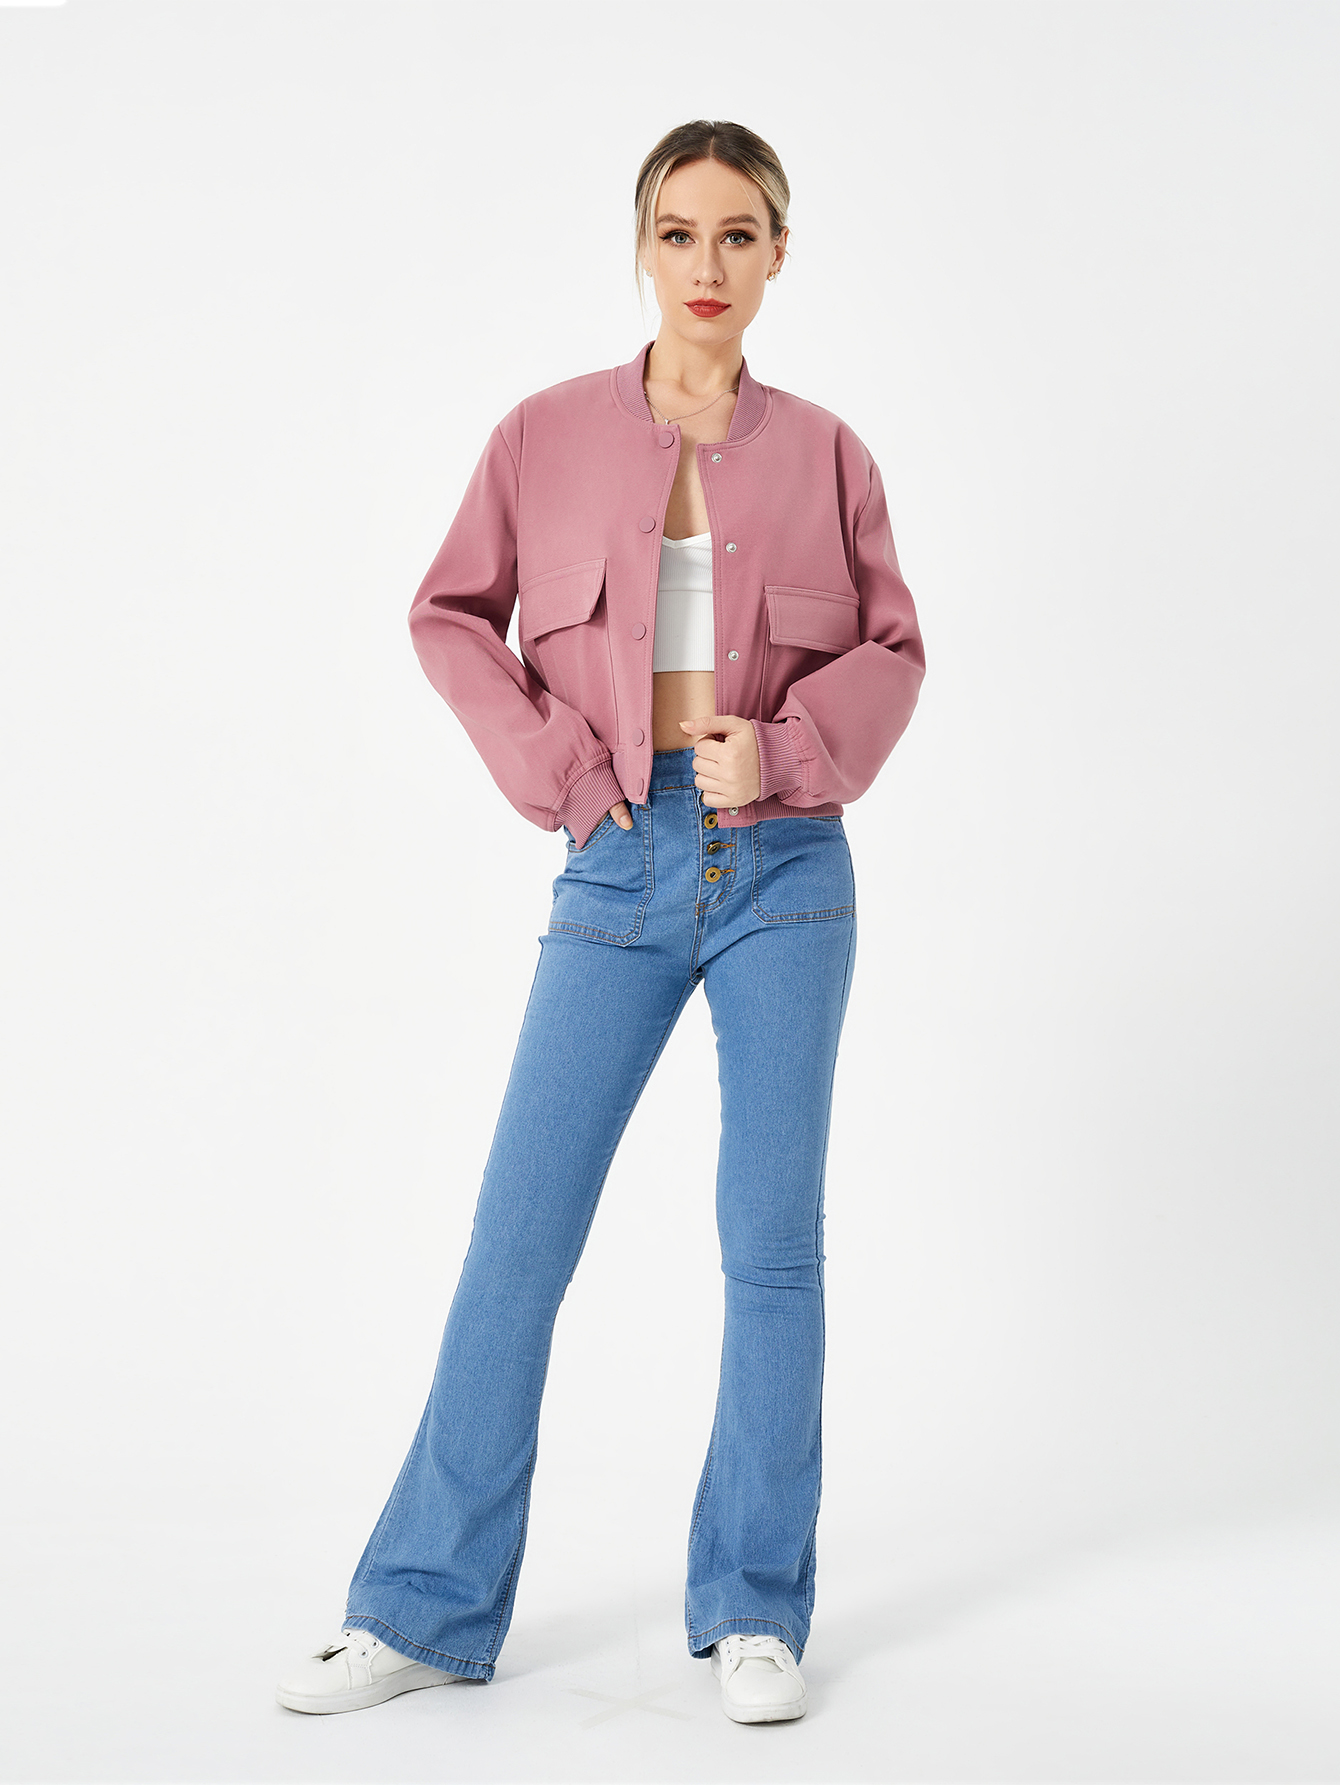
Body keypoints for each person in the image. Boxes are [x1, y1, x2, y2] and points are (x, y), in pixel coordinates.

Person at [276, 117, 925, 1727]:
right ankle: (422, 1604)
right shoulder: (542, 435)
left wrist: (785, 751)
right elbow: (448, 615)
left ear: (780, 254)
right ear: (642, 246)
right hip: (620, 859)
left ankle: (755, 1604)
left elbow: (896, 650)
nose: (707, 264)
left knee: (771, 1245)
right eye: (679, 232)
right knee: (519, 1239)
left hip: (787, 870)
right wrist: (564, 773)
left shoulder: (831, 454)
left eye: (738, 234)